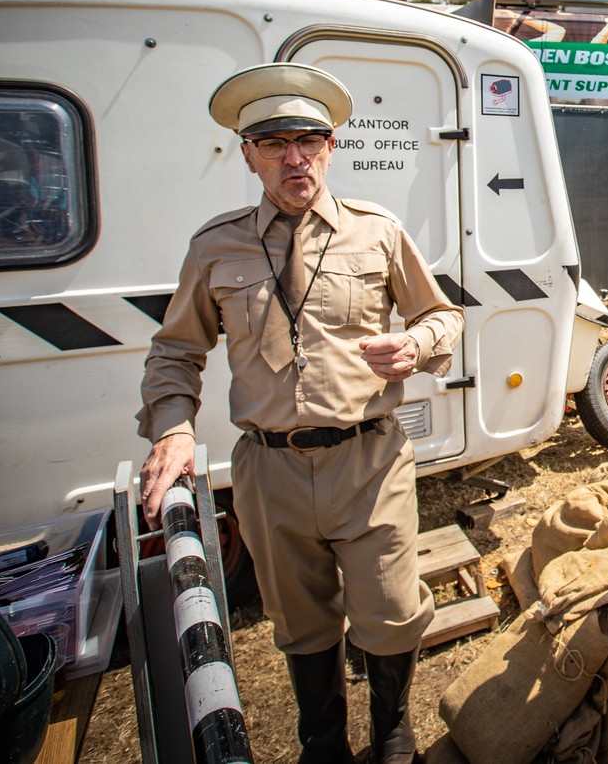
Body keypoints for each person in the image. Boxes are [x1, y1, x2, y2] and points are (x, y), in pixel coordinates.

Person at [137, 63, 464, 764]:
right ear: (248, 153)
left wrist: (416, 344)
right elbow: (175, 352)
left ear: (331, 146)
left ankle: (392, 731)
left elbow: (443, 317)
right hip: (270, 471)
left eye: (309, 139)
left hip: (368, 459)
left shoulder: (376, 233)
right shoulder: (215, 246)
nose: (295, 157)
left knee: (392, 609)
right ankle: (322, 741)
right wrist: (173, 426)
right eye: (275, 142)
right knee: (298, 620)